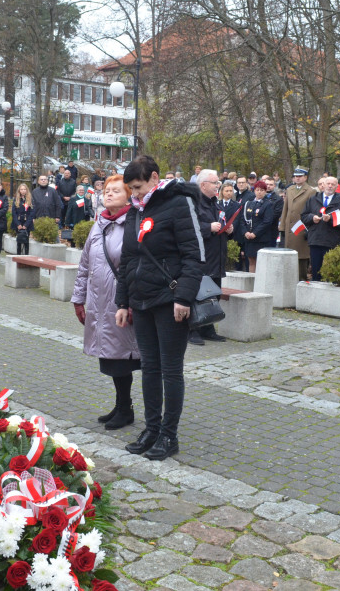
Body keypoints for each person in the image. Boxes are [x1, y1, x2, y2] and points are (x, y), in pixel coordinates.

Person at [115, 156, 203, 461]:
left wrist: (184, 298)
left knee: (170, 370)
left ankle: (169, 434)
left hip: (170, 301)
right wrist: (123, 301)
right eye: (131, 190)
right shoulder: (135, 211)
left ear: (154, 178)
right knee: (149, 369)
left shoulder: (179, 204)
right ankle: (152, 429)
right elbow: (127, 259)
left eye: (138, 187)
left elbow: (195, 255)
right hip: (140, 301)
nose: (135, 194)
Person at [72, 174, 141, 430]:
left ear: (129, 196)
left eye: (115, 190)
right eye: (106, 190)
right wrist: (79, 299)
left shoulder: (132, 224)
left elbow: (136, 267)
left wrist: (131, 302)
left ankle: (127, 409)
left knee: (122, 358)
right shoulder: (100, 223)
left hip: (121, 305)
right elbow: (85, 265)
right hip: (99, 303)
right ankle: (121, 405)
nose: (108, 193)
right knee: (111, 358)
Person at [192, 169, 230, 345]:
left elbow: (220, 222)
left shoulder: (216, 203)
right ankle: (192, 330)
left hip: (217, 257)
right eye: (215, 183)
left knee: (214, 294)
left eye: (218, 183)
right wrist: (208, 227)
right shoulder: (193, 203)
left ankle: (208, 327)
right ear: (203, 185)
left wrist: (227, 228)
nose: (218, 186)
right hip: (201, 257)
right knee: (197, 295)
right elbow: (188, 228)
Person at [301, 176, 340, 281]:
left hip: (331, 241)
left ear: (336, 187)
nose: (330, 186)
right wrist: (312, 218)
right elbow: (303, 216)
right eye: (328, 184)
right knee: (316, 272)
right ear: (323, 185)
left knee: (330, 273)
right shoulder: (313, 199)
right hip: (315, 240)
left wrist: (330, 219)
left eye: (333, 184)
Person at [280, 167, 314, 279]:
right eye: (296, 176)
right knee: (289, 256)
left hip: (301, 227)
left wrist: (307, 229)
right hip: (289, 227)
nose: (297, 178)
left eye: (300, 176)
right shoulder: (290, 190)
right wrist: (282, 226)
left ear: (305, 177)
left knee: (301, 256)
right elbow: (285, 208)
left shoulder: (311, 191)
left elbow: (311, 210)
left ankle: (301, 280)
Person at [241, 181, 275, 273]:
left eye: (262, 190)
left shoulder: (268, 204)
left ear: (265, 191)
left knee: (260, 262)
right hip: (249, 238)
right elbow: (243, 220)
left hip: (261, 238)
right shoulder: (249, 203)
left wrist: (255, 233)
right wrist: (245, 232)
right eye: (257, 190)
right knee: (251, 261)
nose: (259, 192)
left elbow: (267, 222)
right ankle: (252, 283)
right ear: (254, 191)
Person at [12, 183, 34, 255]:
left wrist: (26, 225)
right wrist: (18, 224)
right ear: (19, 190)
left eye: (24, 189)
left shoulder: (30, 200)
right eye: (21, 189)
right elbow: (14, 212)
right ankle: (18, 255)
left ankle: (26, 256)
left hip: (27, 223)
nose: (23, 191)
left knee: (26, 241)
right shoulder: (16, 199)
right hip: (18, 222)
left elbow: (32, 213)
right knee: (19, 241)